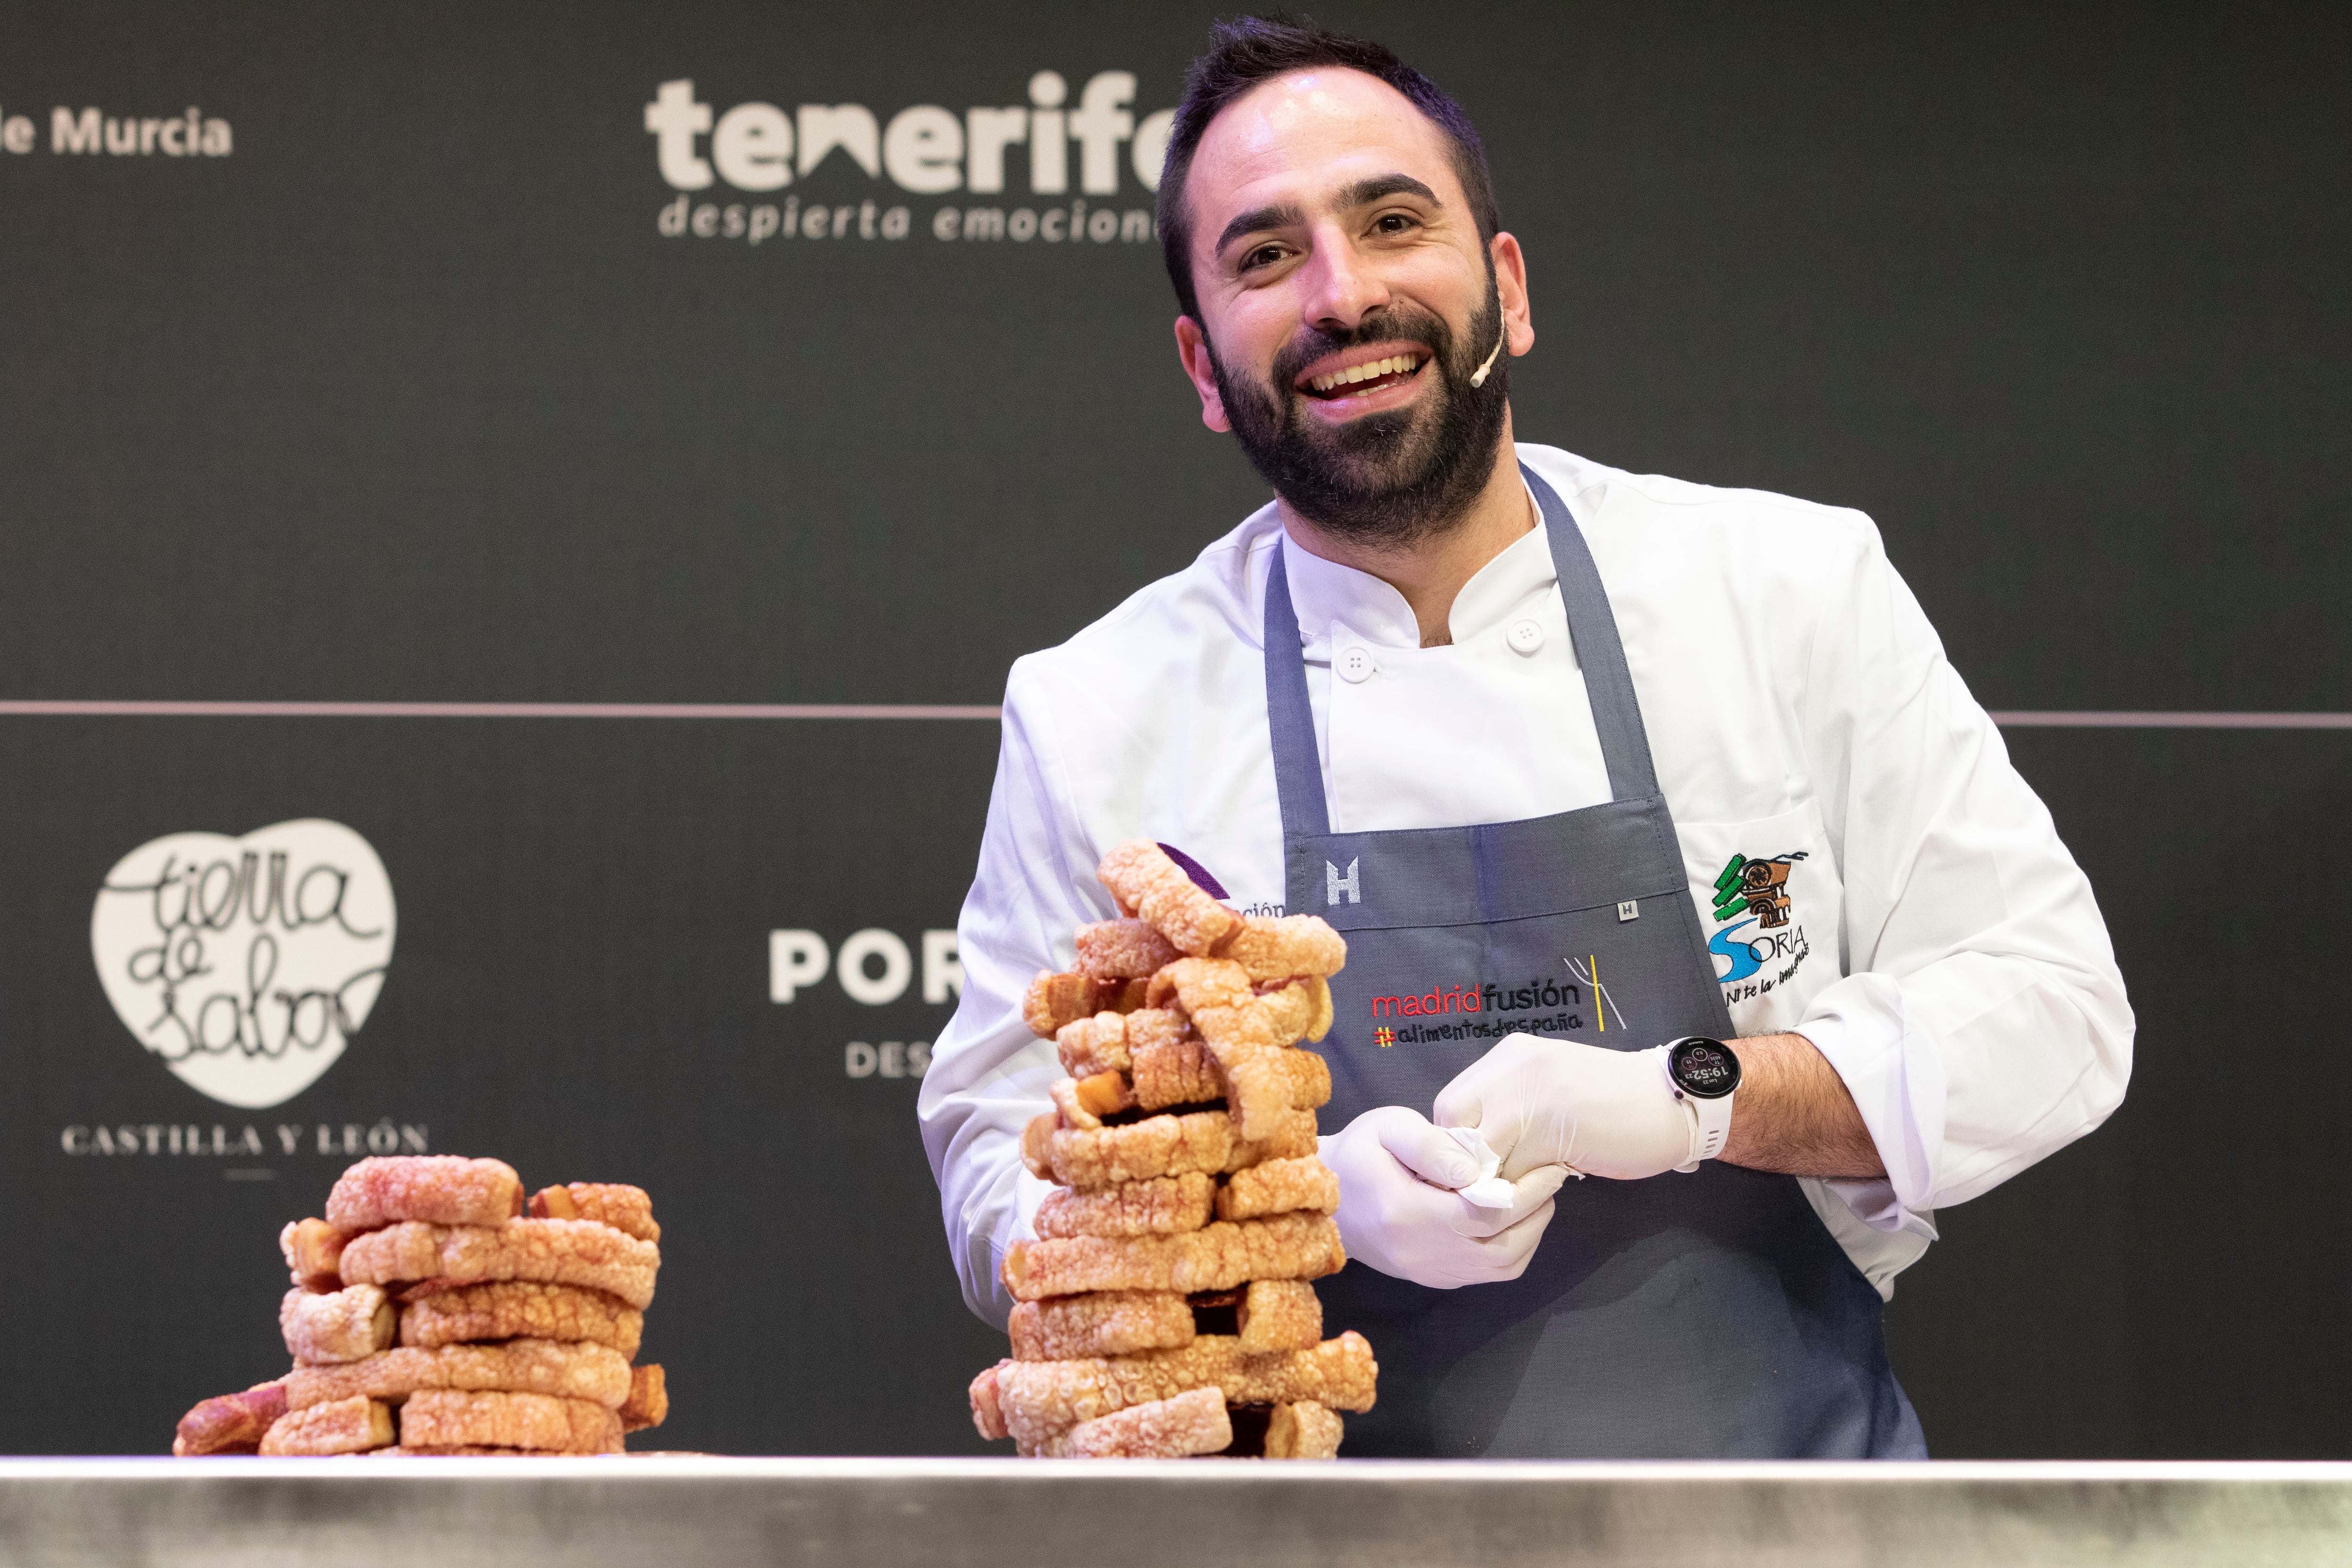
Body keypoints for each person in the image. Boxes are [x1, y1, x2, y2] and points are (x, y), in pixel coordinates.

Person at [918, 16, 2132, 1458]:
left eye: (1392, 220)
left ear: (1507, 284)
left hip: (1784, 1539)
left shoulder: (1786, 592)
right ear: (1199, 363)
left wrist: (1690, 1099)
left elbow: (2055, 1012)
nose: (1343, 293)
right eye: (1265, 255)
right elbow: (1006, 1176)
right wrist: (1295, 1197)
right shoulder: (1098, 711)